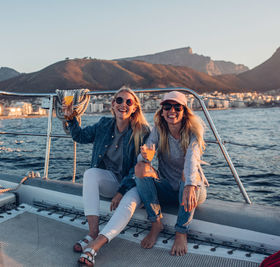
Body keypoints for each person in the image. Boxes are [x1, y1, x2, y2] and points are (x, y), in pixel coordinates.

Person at [62, 87, 155, 266]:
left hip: (134, 184)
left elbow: (137, 168)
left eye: (129, 102)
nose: (123, 105)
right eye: (119, 100)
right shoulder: (104, 124)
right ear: (112, 104)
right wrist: (70, 117)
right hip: (112, 180)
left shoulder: (142, 131)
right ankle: (93, 232)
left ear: (135, 108)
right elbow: (80, 136)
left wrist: (121, 191)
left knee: (129, 200)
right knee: (90, 174)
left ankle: (96, 245)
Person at [135, 91, 208, 256]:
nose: (171, 111)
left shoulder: (193, 132)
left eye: (177, 107)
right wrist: (145, 157)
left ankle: (181, 231)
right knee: (140, 167)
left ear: (184, 111)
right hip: (168, 188)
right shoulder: (158, 130)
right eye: (167, 107)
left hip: (193, 190)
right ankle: (156, 223)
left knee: (189, 174)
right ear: (162, 111)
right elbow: (145, 152)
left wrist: (189, 184)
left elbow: (191, 160)